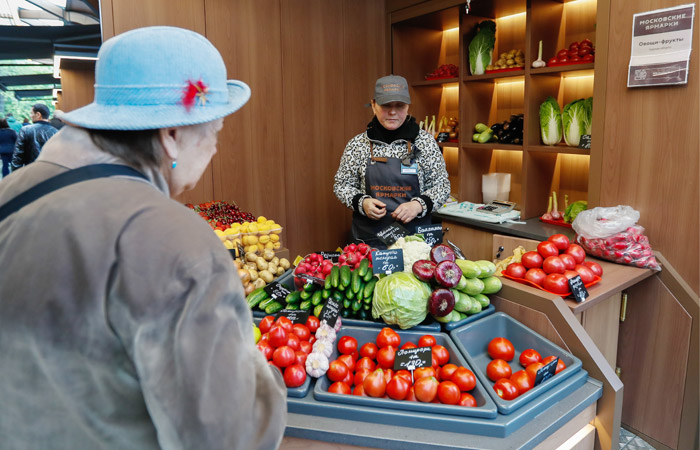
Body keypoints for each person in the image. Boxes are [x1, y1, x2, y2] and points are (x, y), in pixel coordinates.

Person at [0, 26, 286, 450]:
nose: (214, 149)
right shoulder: (174, 241)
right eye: (214, 131)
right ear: (172, 136)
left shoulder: (11, 194)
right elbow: (229, 435)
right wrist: (262, 379)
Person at [333, 75, 451, 249]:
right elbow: (342, 185)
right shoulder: (358, 144)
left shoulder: (425, 143)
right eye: (386, 105)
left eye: (400, 105)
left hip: (415, 241)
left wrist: (418, 205)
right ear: (374, 105)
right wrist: (362, 202)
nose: (393, 112)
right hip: (370, 240)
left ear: (408, 106)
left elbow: (442, 186)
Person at [9, 103, 58, 172]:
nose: (30, 115)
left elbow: (18, 156)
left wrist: (16, 175)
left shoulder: (25, 130)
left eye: (31, 113)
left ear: (38, 114)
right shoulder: (56, 132)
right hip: (50, 173)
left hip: (31, 172)